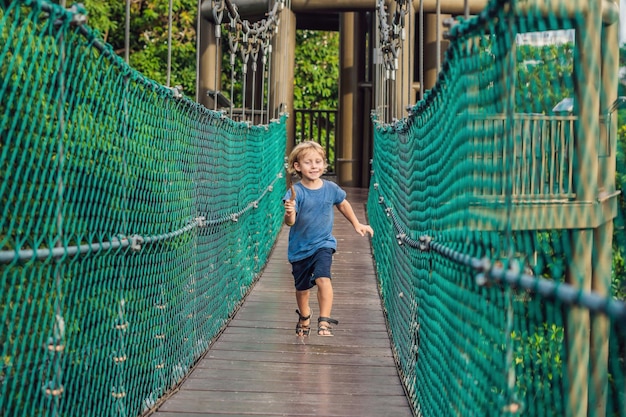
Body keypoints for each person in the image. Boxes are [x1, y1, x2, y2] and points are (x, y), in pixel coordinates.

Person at [283, 141, 374, 337]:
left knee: (324, 277)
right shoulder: (295, 192)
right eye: (308, 162)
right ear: (297, 166)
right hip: (300, 249)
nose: (314, 166)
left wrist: (357, 224)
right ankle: (305, 315)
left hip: (324, 244)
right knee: (302, 290)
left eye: (318, 161)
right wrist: (289, 212)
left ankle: (324, 321)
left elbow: (343, 204)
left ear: (324, 165)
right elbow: (290, 222)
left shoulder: (331, 188)